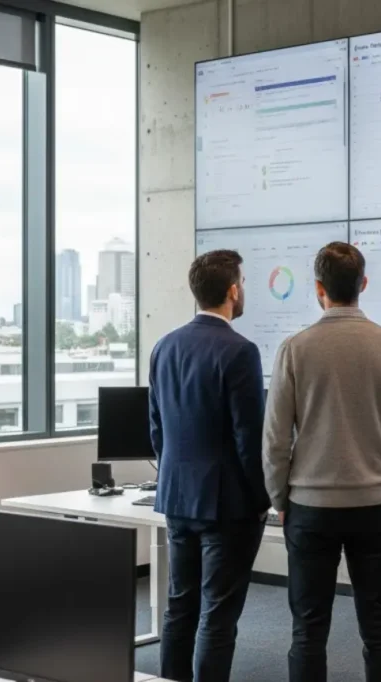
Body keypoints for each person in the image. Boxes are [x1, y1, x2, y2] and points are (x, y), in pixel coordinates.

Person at [263, 241, 381, 682]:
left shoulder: (294, 349)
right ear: (363, 285)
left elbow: (276, 440)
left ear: (318, 288)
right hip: (375, 507)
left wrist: (279, 497)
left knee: (308, 630)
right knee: (379, 625)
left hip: (309, 510)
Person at [149, 249, 270, 682]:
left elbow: (157, 428)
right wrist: (262, 500)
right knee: (217, 615)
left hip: (177, 497)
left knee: (179, 607)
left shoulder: (164, 346)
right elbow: (248, 439)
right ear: (233, 290)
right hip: (227, 506)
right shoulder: (240, 351)